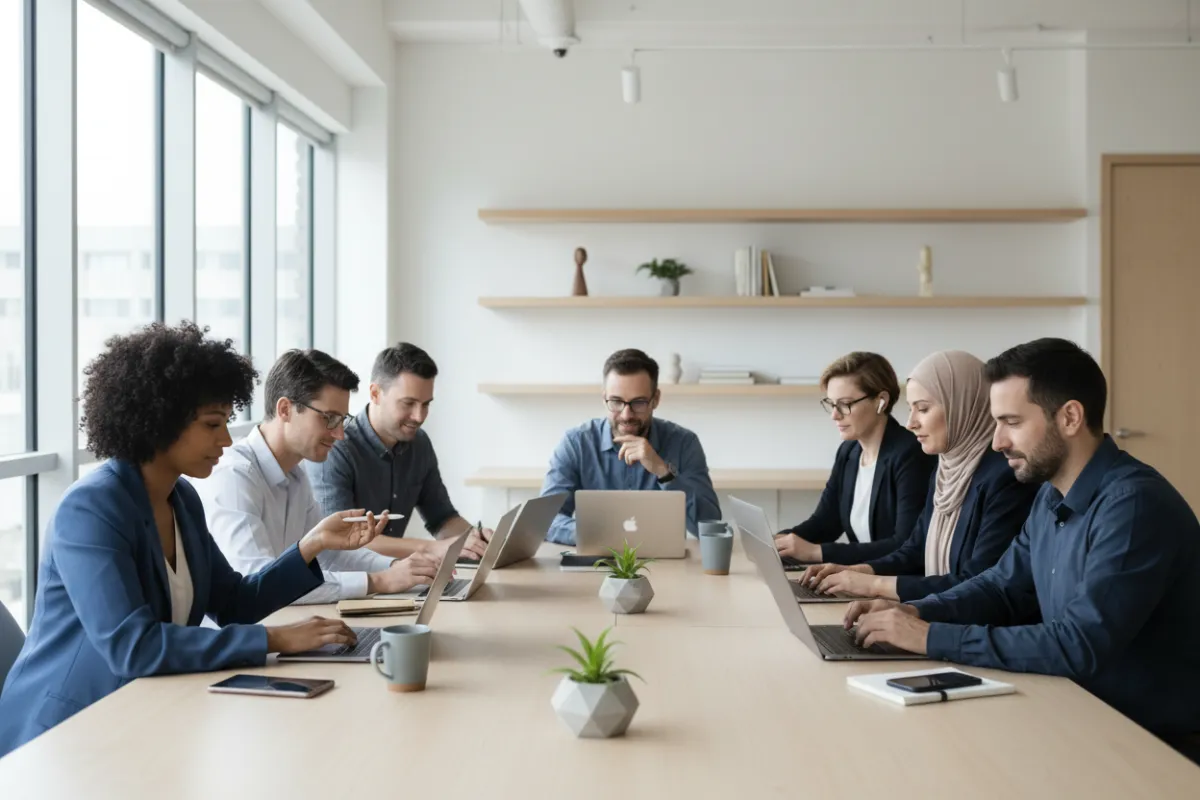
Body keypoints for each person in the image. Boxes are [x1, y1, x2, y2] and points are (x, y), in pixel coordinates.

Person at [0, 323, 382, 756]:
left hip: (143, 712)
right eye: (211, 425)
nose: (225, 439)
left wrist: (310, 545)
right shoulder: (90, 510)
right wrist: (276, 639)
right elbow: (133, 646)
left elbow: (234, 602)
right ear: (158, 420)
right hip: (65, 732)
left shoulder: (181, 498)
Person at [846, 339, 1200, 761]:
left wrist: (930, 636)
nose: (997, 442)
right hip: (1074, 711)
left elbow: (1077, 644)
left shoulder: (1134, 506)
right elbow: (1001, 587)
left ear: (1069, 417)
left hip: (1148, 743)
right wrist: (919, 611)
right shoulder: (1050, 496)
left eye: (1011, 422)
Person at [192, 349, 441, 603]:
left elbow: (329, 555)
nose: (339, 434)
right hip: (248, 636)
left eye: (343, 420)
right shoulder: (234, 476)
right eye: (329, 419)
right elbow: (258, 580)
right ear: (285, 409)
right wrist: (378, 581)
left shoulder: (296, 475)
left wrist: (398, 568)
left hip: (285, 623)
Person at [798, 351, 1038, 602]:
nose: (911, 422)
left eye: (923, 409)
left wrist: (874, 585)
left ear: (961, 406)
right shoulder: (945, 469)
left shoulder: (1006, 478)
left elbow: (978, 582)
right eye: (911, 409)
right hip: (937, 613)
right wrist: (858, 571)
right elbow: (914, 550)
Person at [306, 342, 490, 561]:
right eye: (408, 403)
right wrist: (433, 548)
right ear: (375, 393)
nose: (419, 416)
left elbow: (443, 518)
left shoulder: (419, 444)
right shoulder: (336, 448)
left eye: (426, 404)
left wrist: (476, 540)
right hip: (348, 583)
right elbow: (341, 541)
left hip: (397, 578)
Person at [540, 348, 720, 546]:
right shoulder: (576, 443)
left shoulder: (684, 443)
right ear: (604, 399)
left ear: (655, 399)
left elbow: (710, 528)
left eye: (638, 402)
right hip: (596, 559)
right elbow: (545, 520)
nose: (626, 415)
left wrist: (663, 472)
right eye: (616, 402)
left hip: (665, 565)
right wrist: (600, 535)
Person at [774, 352, 935, 564]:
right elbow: (825, 523)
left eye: (845, 404)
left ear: (881, 401)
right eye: (831, 404)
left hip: (892, 584)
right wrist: (779, 541)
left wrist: (817, 553)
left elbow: (905, 544)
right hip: (859, 579)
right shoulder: (849, 451)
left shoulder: (911, 454)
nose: (835, 415)